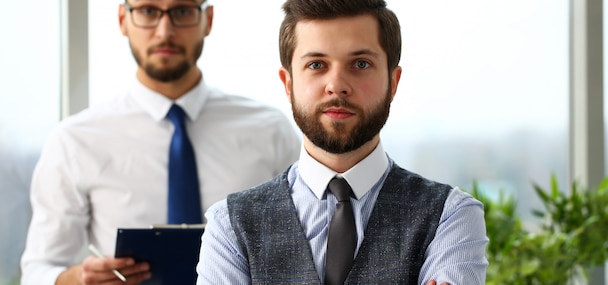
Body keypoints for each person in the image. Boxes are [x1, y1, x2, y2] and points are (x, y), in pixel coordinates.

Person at [196, 0, 488, 284]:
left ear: (393, 82)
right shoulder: (229, 226)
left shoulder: (452, 217)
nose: (337, 85)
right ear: (288, 83)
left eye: (360, 63)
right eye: (316, 64)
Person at [20, 0, 301, 284]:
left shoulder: (270, 131)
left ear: (208, 19)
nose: (165, 31)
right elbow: (38, 270)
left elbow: (308, 244)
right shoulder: (75, 140)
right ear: (122, 19)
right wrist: (80, 278)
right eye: (148, 11)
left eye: (182, 11)